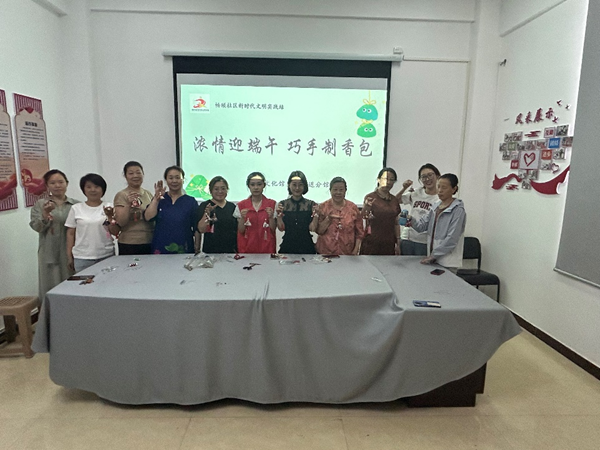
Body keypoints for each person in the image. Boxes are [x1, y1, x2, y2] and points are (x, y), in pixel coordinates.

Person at [30, 170, 80, 301]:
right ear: (47, 186)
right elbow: (37, 227)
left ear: (67, 183)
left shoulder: (76, 205)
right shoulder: (41, 204)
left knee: (73, 284)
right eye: (52, 183)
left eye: (60, 182)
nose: (57, 185)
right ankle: (50, 314)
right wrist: (45, 214)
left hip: (72, 251)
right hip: (49, 251)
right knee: (50, 286)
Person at [409, 173, 466, 268]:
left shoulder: (458, 210)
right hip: (433, 259)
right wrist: (411, 220)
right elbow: (421, 227)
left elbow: (452, 238)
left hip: (448, 262)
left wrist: (433, 255)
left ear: (454, 189)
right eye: (438, 187)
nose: (440, 191)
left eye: (444, 187)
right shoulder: (435, 206)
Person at [65, 174, 115, 273]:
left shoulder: (109, 207)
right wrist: (69, 256)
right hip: (82, 257)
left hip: (106, 255)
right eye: (88, 187)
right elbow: (70, 234)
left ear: (103, 189)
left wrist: (110, 217)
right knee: (84, 282)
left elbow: (115, 231)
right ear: (83, 189)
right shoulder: (76, 208)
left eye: (97, 187)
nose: (93, 190)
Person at [145, 166, 198, 254]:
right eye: (171, 178)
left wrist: (197, 246)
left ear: (183, 180)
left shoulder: (190, 201)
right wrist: (156, 199)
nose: (174, 181)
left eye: (177, 177)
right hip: (160, 245)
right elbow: (148, 217)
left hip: (183, 245)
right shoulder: (160, 199)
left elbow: (196, 227)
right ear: (166, 180)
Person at [395, 163, 441, 255]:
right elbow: (395, 201)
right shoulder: (416, 192)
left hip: (425, 241)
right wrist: (404, 188)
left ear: (437, 176)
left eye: (430, 175)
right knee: (404, 264)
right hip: (408, 238)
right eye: (423, 177)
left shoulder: (440, 198)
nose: (427, 179)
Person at [113, 161, 154, 255]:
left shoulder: (148, 194)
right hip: (129, 243)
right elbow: (121, 222)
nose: (135, 176)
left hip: (149, 240)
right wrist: (128, 204)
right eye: (131, 173)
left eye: (138, 172)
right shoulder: (122, 195)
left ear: (143, 174)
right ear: (125, 176)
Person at [316, 177, 363, 255]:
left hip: (347, 252)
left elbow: (359, 233)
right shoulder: (323, 207)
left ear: (345, 191)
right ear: (330, 190)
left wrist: (356, 250)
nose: (338, 192)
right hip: (325, 252)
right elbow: (319, 231)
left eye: (341, 190)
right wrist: (328, 219)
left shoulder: (353, 208)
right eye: (335, 189)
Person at [360, 167, 401, 255]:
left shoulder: (394, 200)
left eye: (391, 180)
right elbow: (363, 217)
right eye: (385, 179)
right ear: (378, 179)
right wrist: (366, 207)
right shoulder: (370, 197)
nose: (388, 182)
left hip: (389, 242)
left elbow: (396, 222)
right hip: (372, 241)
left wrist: (398, 241)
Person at [276, 171, 318, 254]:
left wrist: (316, 215)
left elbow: (312, 229)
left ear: (305, 186)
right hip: (288, 245)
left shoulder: (311, 204)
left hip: (306, 245)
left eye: (300, 185)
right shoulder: (283, 204)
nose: (297, 188)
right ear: (289, 185)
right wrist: (279, 216)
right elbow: (281, 228)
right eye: (294, 185)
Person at [234, 172, 276, 253]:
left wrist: (271, 217)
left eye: (259, 184)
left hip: (267, 249)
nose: (256, 187)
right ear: (248, 186)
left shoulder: (272, 204)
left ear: (264, 185)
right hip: (246, 249)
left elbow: (273, 229)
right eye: (252, 185)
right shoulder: (241, 205)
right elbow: (241, 230)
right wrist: (242, 218)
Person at [196, 176, 237, 253]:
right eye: (216, 189)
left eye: (223, 188)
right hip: (210, 251)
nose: (220, 191)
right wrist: (207, 213)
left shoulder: (232, 207)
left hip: (230, 251)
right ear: (211, 190)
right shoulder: (205, 205)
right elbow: (201, 229)